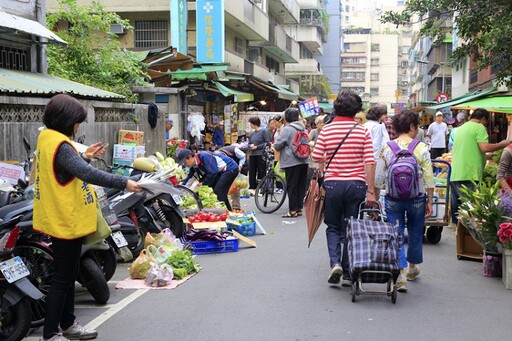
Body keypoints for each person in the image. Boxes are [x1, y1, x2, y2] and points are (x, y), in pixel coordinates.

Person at [33, 94, 142, 341]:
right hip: (65, 221)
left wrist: (84, 156)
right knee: (62, 279)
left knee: (68, 275)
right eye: (77, 121)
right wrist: (124, 182)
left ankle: (69, 324)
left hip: (58, 217)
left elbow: (68, 168)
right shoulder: (61, 145)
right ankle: (50, 334)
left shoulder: (47, 138)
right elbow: (87, 174)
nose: (78, 126)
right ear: (67, 120)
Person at [311, 90, 376, 287]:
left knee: (333, 226)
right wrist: (371, 191)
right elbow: (370, 162)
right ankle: (348, 273)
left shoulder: (327, 130)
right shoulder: (362, 131)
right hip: (356, 184)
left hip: (332, 184)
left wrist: (327, 163)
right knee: (351, 227)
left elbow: (316, 158)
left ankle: (335, 263)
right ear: (356, 110)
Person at [374, 109, 435, 293]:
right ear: (411, 127)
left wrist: (375, 199)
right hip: (417, 198)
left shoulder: (387, 147)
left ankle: (400, 273)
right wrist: (430, 200)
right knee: (416, 231)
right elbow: (429, 177)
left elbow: (378, 178)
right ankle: (412, 268)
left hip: (393, 198)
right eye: (416, 127)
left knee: (396, 233)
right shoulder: (422, 147)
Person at [450, 108, 512, 225]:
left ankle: (459, 241)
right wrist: (501, 144)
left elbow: (470, 151)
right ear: (483, 119)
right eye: (486, 122)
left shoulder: (461, 128)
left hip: (455, 174)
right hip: (469, 175)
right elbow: (484, 147)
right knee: (470, 216)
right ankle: (467, 242)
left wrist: (487, 157)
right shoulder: (479, 127)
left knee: (458, 217)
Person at [272, 107, 310, 218]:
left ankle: (292, 210)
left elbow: (278, 144)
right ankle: (298, 209)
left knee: (292, 187)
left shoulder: (288, 129)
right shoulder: (303, 128)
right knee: (300, 186)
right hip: (304, 160)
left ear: (286, 117)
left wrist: (273, 146)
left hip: (292, 161)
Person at [216, 144, 247, 212]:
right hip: (227, 170)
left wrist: (240, 165)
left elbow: (243, 156)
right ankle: (225, 207)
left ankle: (236, 207)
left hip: (236, 168)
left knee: (236, 187)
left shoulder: (234, 149)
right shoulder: (218, 157)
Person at [247, 116, 270, 194]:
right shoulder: (252, 133)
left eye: (251, 123)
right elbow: (249, 143)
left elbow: (267, 143)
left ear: (254, 124)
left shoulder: (264, 131)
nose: (250, 125)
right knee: (252, 171)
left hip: (261, 154)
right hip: (252, 154)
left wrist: (257, 147)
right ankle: (252, 188)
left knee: (261, 171)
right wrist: (250, 145)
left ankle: (261, 188)